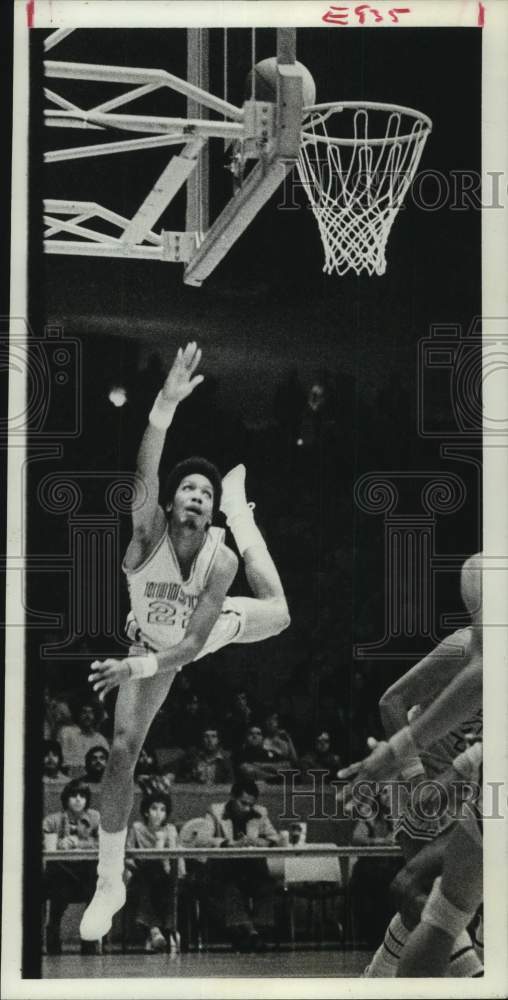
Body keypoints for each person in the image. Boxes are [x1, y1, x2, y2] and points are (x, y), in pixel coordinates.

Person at [80, 342, 290, 941]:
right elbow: (145, 469)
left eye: (206, 491)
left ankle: (249, 520)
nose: (196, 495)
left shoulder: (219, 560)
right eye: (190, 489)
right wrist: (163, 407)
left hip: (189, 639)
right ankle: (108, 879)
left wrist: (136, 666)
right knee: (122, 750)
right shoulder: (146, 533)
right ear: (172, 502)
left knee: (279, 613)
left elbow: (194, 643)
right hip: (151, 640)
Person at [339, 554, 484, 977]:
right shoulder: (463, 647)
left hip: (465, 780)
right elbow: (392, 701)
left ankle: (375, 978)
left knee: (431, 899)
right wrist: (416, 777)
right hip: (420, 783)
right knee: (431, 896)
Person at [195, 778, 279, 951]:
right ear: (232, 798)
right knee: (230, 888)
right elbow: (201, 840)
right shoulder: (215, 812)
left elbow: (274, 839)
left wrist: (259, 842)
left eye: (251, 804)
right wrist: (228, 844)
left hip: (252, 868)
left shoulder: (260, 812)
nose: (247, 808)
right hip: (224, 870)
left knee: (267, 885)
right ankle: (252, 933)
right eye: (243, 803)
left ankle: (255, 931)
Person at [42, 778, 100, 955]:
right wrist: (59, 843)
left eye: (82, 796)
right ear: (66, 799)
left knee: (96, 880)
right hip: (60, 874)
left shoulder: (95, 818)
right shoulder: (53, 820)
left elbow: (104, 843)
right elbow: (40, 842)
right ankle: (53, 936)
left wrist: (79, 843)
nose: (77, 799)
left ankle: (89, 939)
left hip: (85, 875)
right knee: (57, 880)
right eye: (73, 795)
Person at [125, 792, 180, 953]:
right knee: (145, 877)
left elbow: (174, 859)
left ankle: (155, 930)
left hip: (165, 875)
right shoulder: (137, 828)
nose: (158, 813)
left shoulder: (170, 829)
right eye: (154, 808)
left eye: (163, 810)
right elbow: (127, 855)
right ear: (146, 812)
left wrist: (166, 842)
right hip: (140, 873)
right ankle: (157, 930)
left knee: (161, 881)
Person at [57, 700, 110, 768]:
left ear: (96, 715)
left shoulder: (101, 740)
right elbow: (60, 759)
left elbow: (106, 764)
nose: (87, 715)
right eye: (84, 712)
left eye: (91, 712)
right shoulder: (67, 733)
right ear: (78, 714)